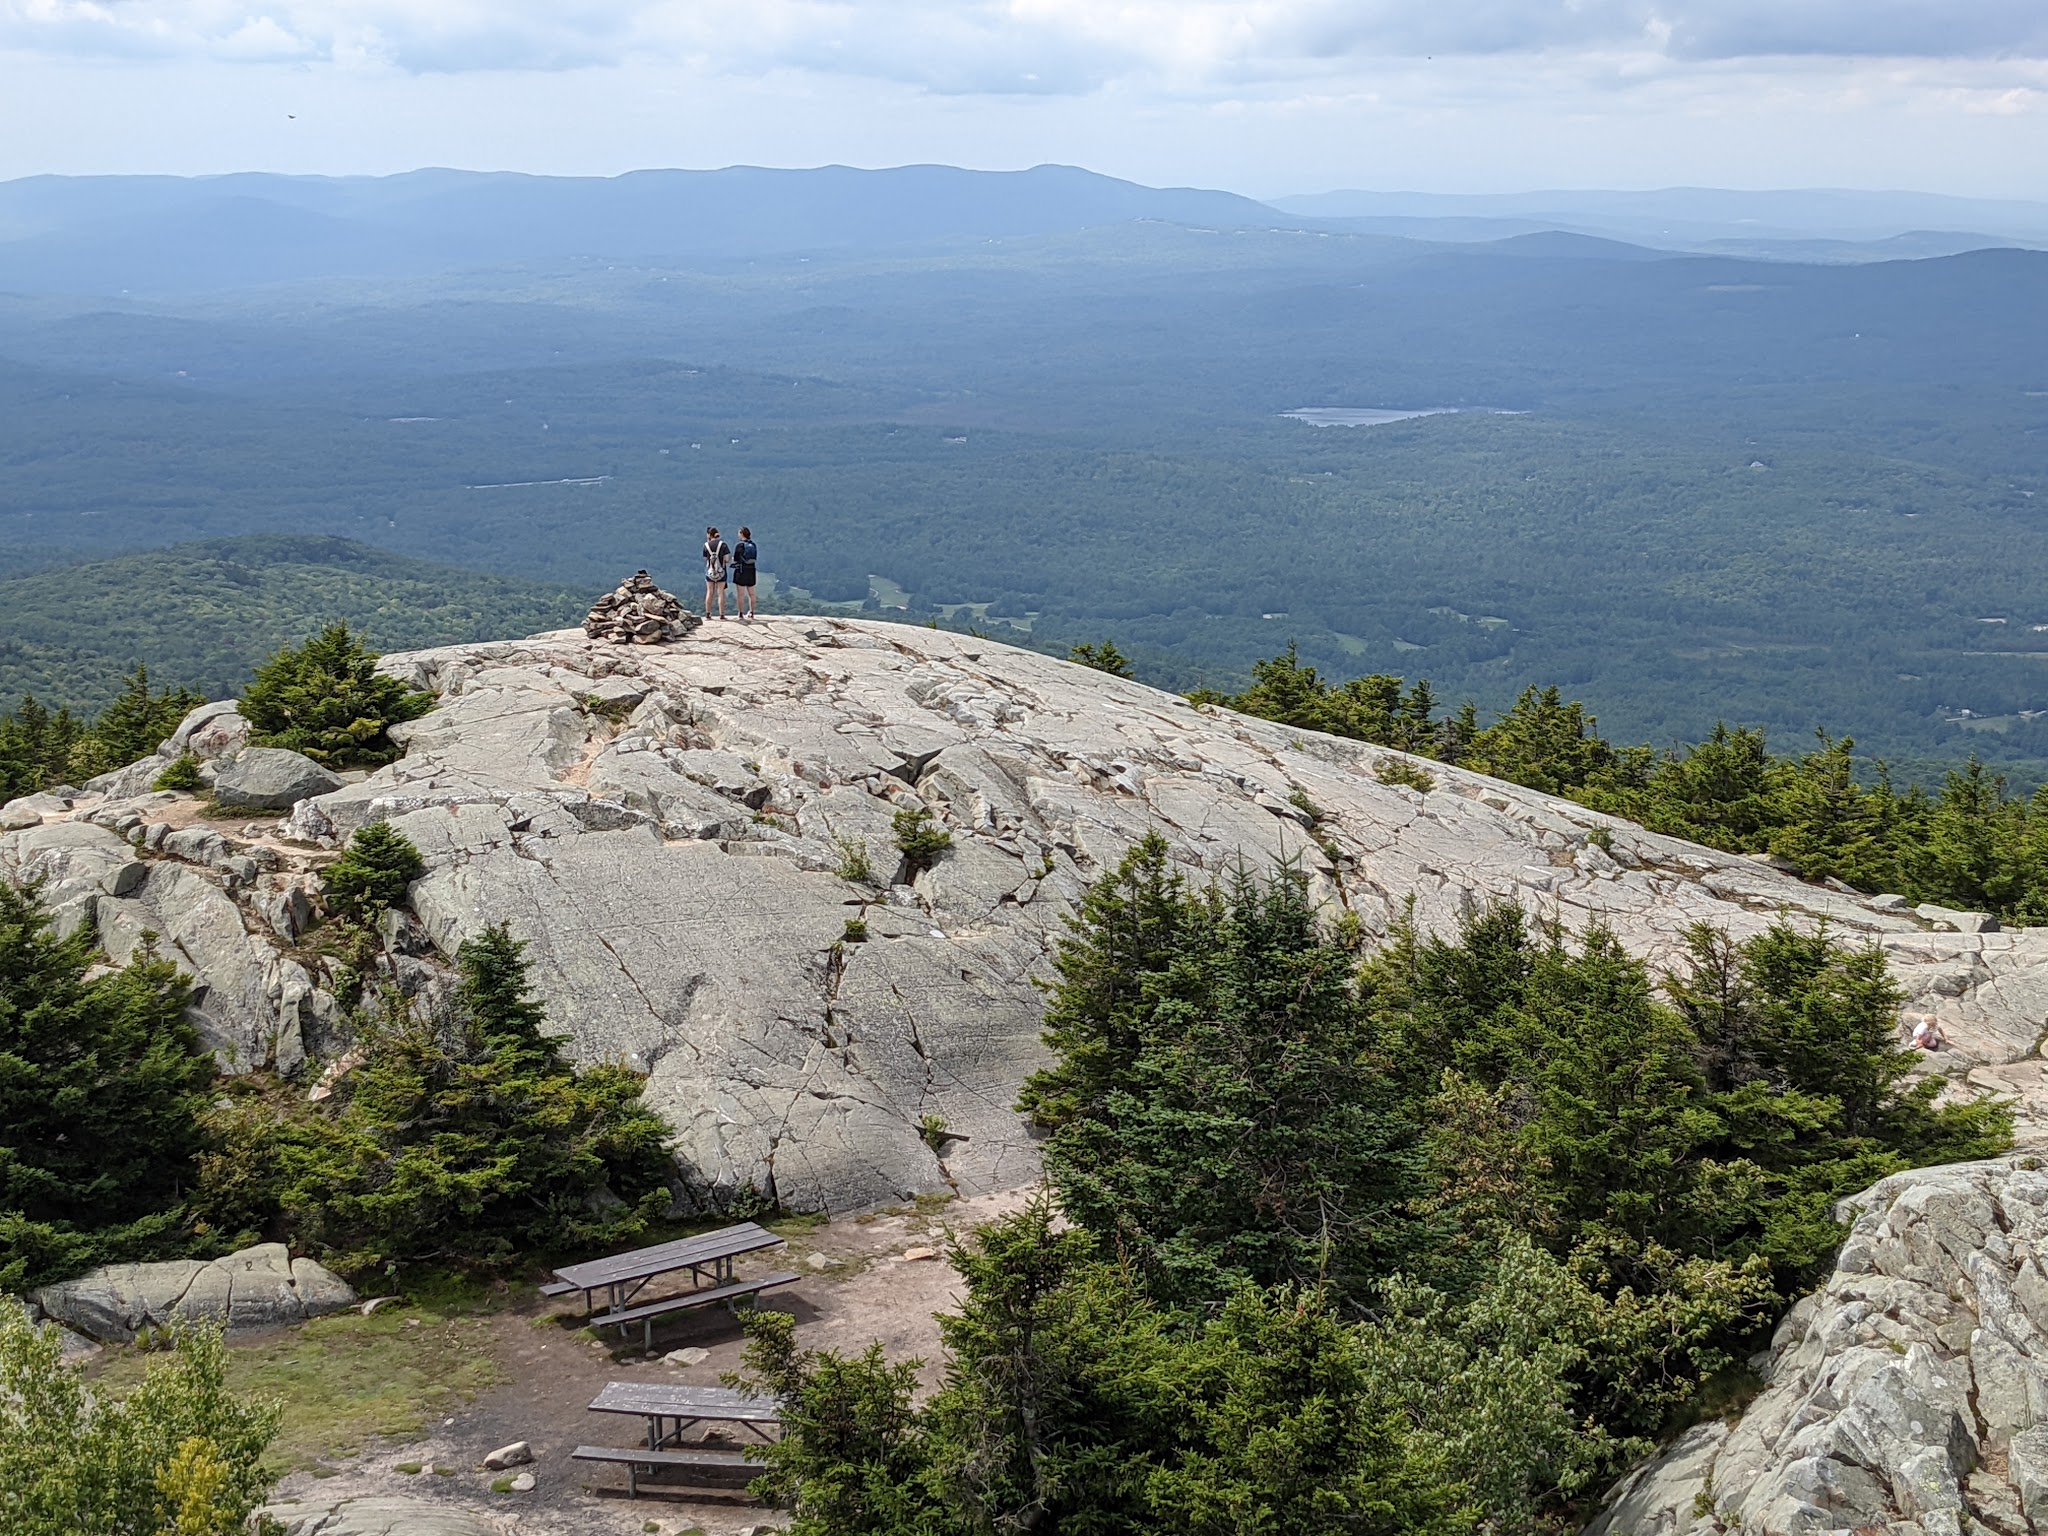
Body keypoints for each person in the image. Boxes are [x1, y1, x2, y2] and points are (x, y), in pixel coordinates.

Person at [702, 525, 732, 620]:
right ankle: (722, 614)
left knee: (710, 591)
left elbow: (705, 559)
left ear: (709, 535)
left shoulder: (706, 545)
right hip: (721, 572)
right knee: (720, 592)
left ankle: (708, 613)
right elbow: (727, 559)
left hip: (710, 572)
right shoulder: (723, 545)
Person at [731, 526, 760, 621]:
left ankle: (740, 613)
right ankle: (752, 612)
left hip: (741, 571)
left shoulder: (739, 545)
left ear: (742, 534)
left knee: (740, 594)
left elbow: (735, 559)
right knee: (752, 593)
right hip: (751, 570)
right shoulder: (753, 545)